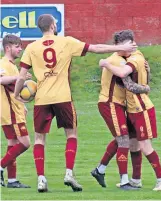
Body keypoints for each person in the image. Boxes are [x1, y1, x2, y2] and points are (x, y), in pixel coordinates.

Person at [14, 14, 137, 193]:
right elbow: (96, 48)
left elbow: (21, 75)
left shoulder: (31, 48)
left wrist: (17, 95)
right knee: (71, 135)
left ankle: (41, 179)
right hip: (63, 97)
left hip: (42, 99)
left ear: (40, 28)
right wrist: (120, 47)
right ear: (53, 26)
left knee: (40, 138)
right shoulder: (66, 42)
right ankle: (69, 173)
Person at [99, 30, 161, 191]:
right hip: (132, 109)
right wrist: (147, 78)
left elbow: (125, 78)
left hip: (142, 108)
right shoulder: (127, 58)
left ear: (131, 44)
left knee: (144, 145)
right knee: (133, 145)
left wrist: (105, 63)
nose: (119, 48)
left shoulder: (135, 58)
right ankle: (136, 179)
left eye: (123, 45)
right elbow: (142, 78)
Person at [91, 30, 150, 190]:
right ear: (120, 45)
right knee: (124, 139)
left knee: (125, 138)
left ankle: (100, 169)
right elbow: (128, 82)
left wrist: (145, 68)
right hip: (110, 103)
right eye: (130, 44)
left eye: (133, 43)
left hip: (119, 103)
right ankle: (124, 181)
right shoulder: (116, 60)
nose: (133, 46)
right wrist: (145, 87)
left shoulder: (126, 58)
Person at [0, 34, 31, 188]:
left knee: (12, 143)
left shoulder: (12, 65)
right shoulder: (3, 63)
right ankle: (0, 166)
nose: (20, 49)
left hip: (15, 110)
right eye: (17, 46)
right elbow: (1, 80)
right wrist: (19, 77)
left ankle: (12, 180)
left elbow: (13, 89)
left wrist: (22, 104)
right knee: (25, 143)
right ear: (8, 47)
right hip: (10, 113)